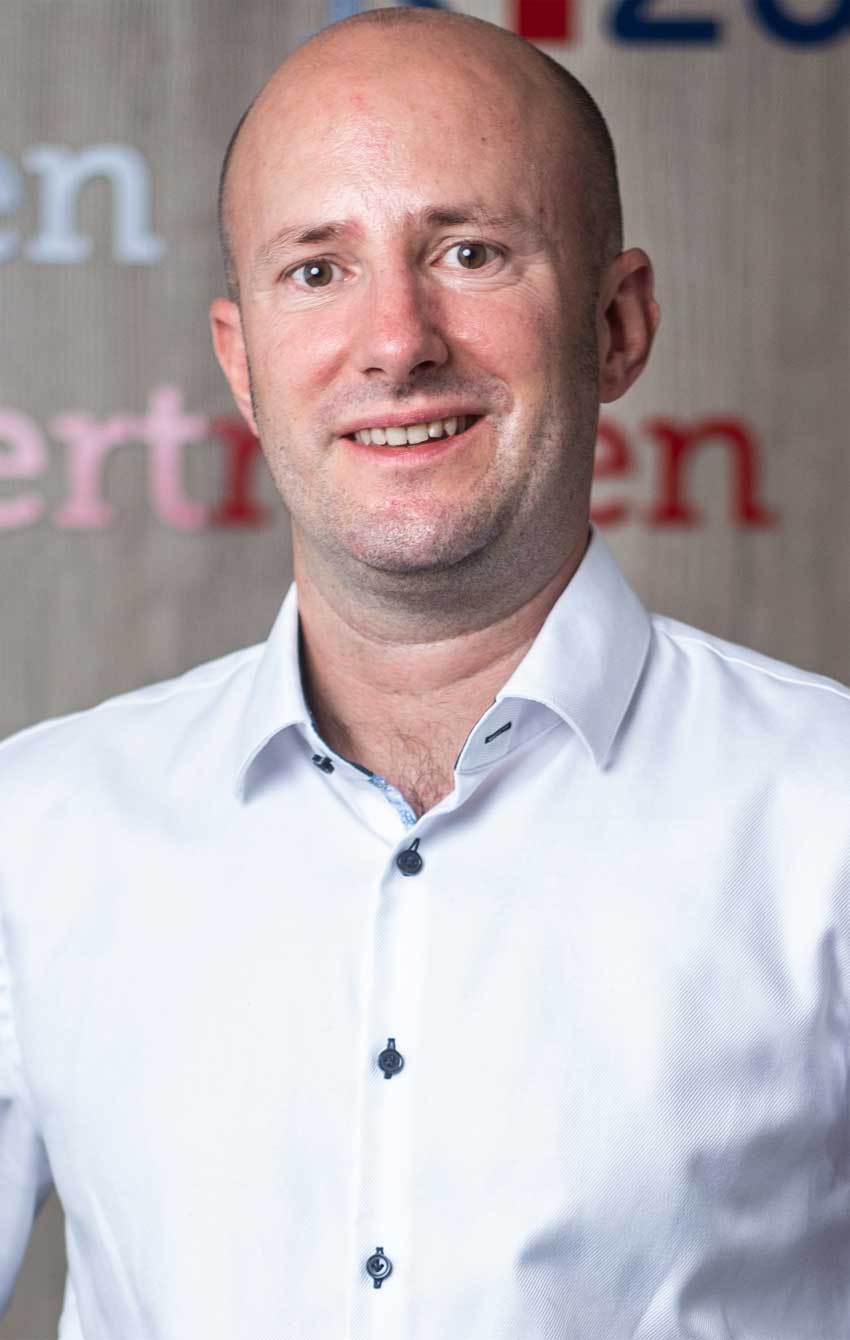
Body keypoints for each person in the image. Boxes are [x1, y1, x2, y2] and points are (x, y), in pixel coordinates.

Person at [1, 8, 848, 1338]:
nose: (397, 340)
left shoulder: (826, 811)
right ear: (241, 361)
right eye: (316, 270)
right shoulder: (35, 829)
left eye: (469, 252)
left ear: (618, 324)